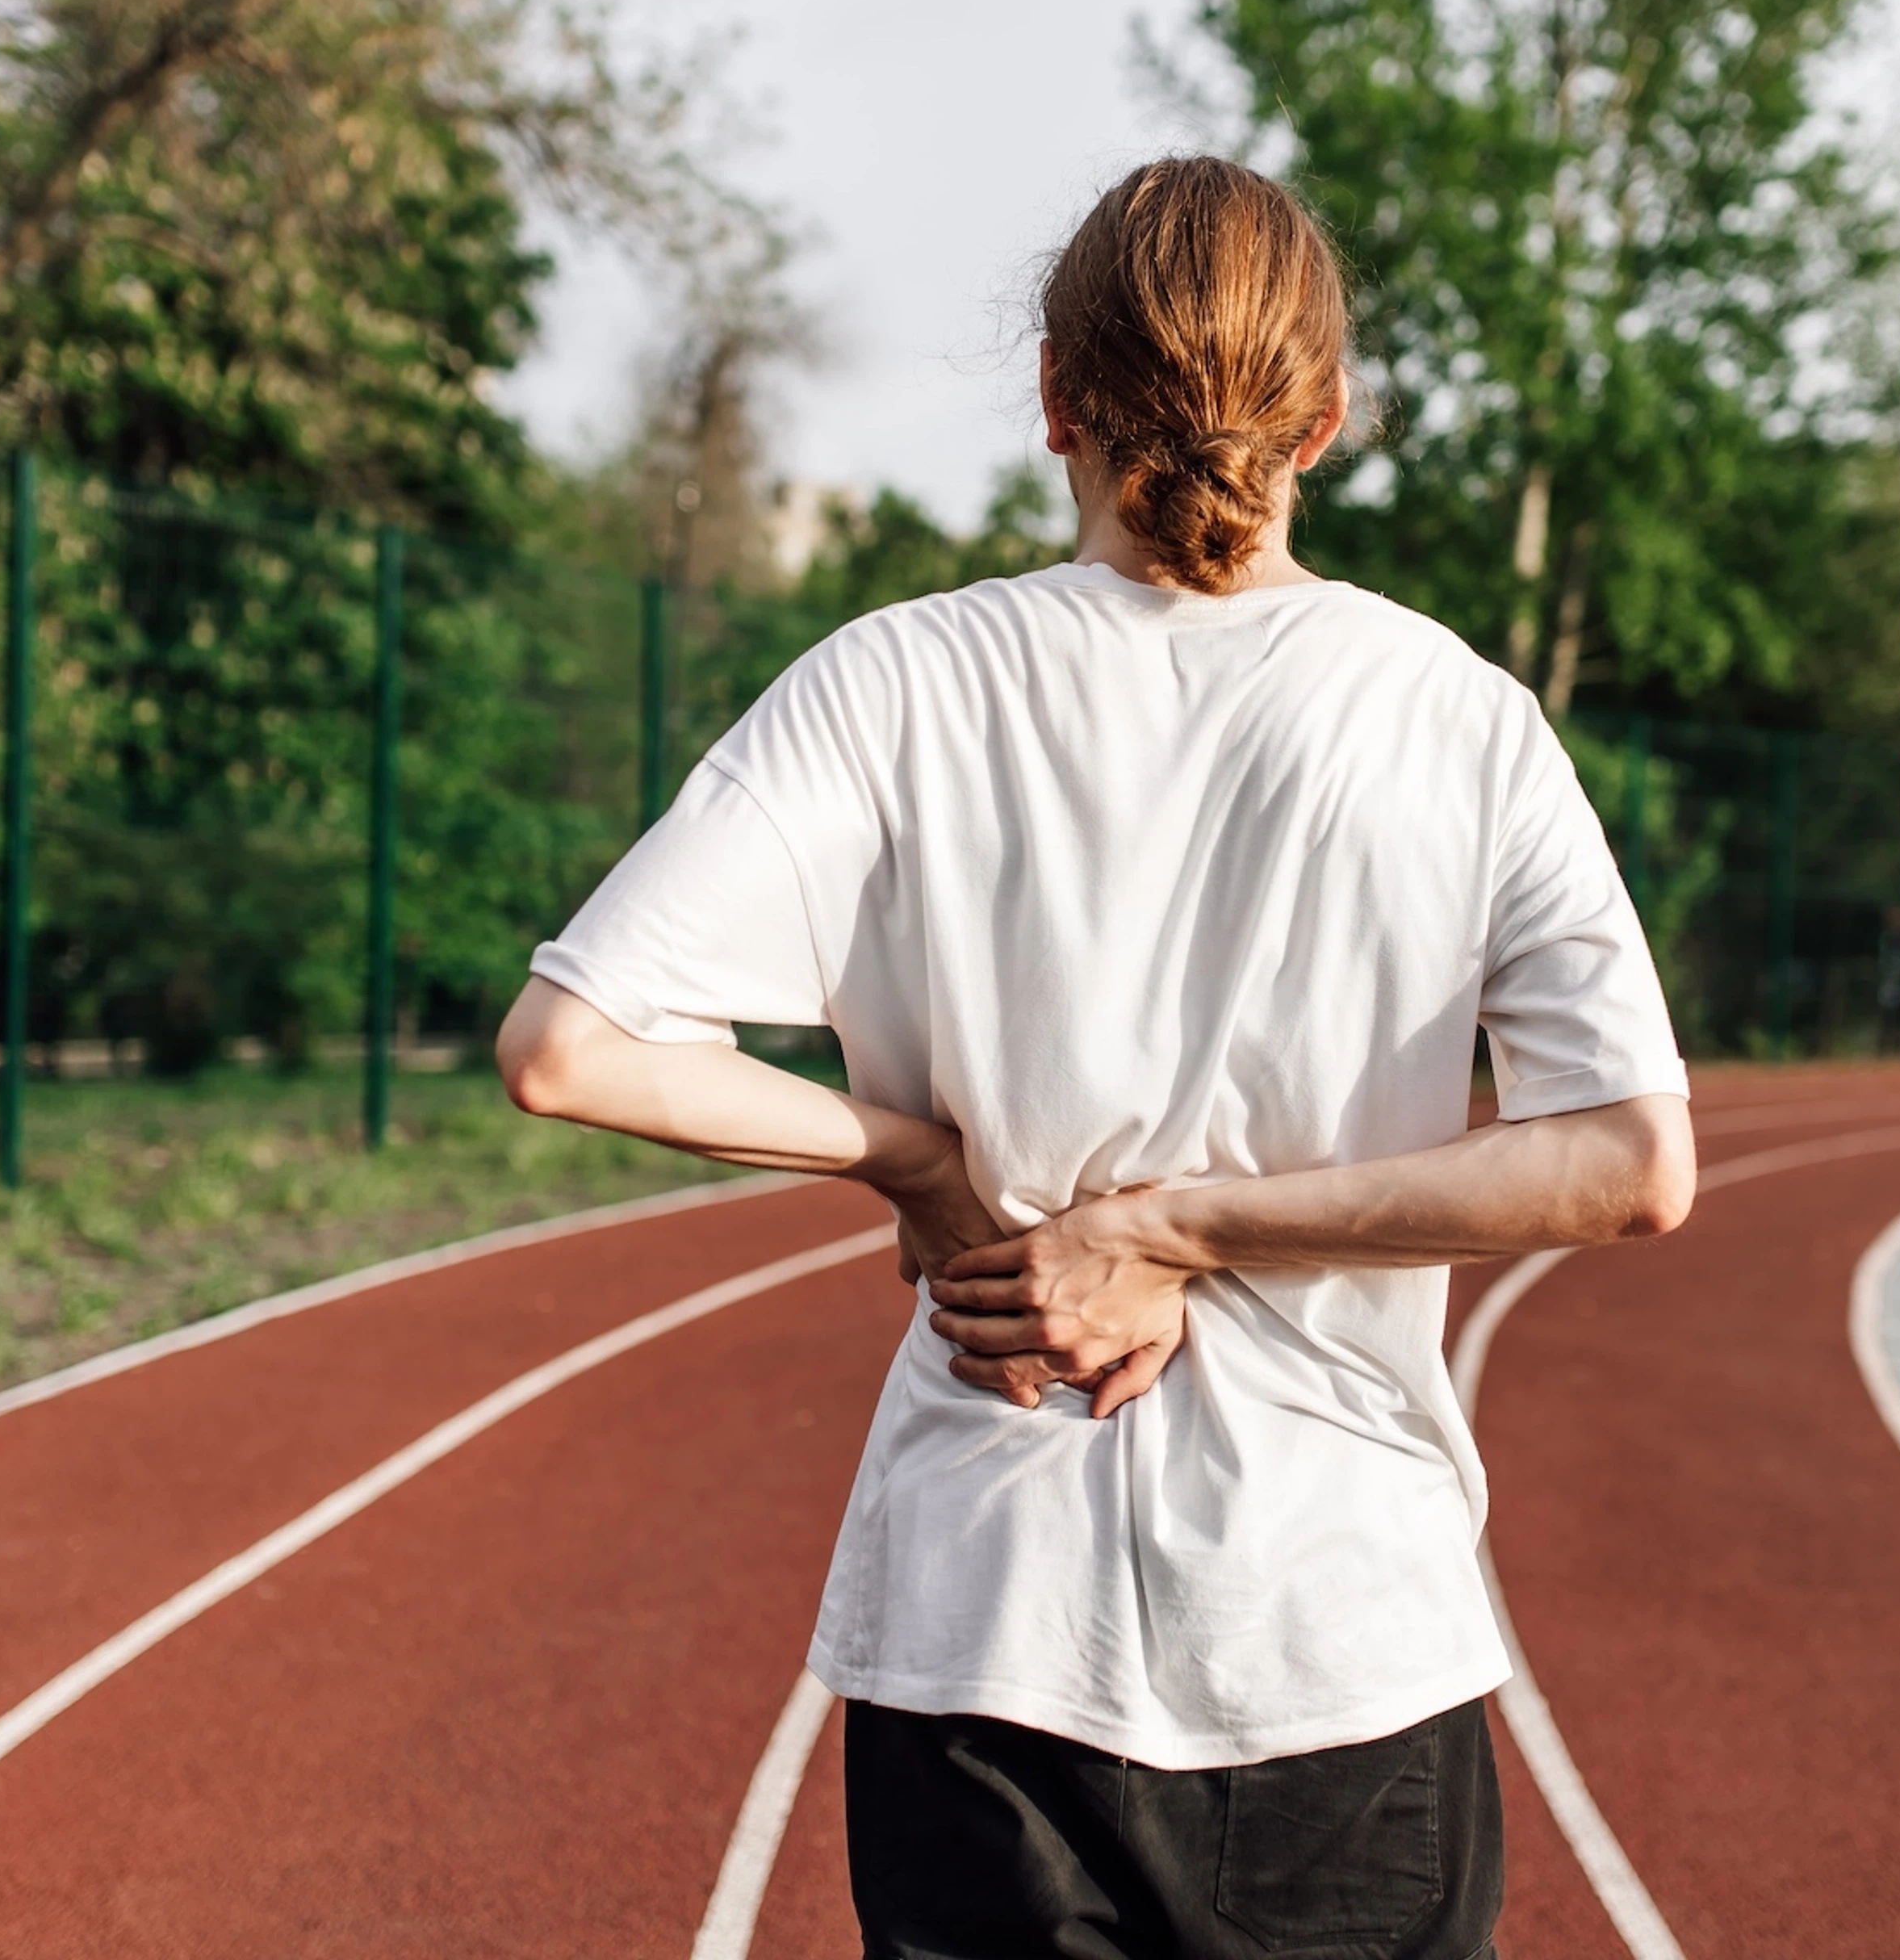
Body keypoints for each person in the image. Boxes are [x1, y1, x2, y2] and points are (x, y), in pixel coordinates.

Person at [498, 156, 1694, 1960]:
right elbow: (1630, 1159)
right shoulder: (1458, 716)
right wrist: (1190, 1229)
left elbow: (571, 1046)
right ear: (1329, 415)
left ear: (1053, 400)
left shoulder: (891, 680)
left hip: (989, 1633)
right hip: (1339, 1641)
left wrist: (918, 1156)